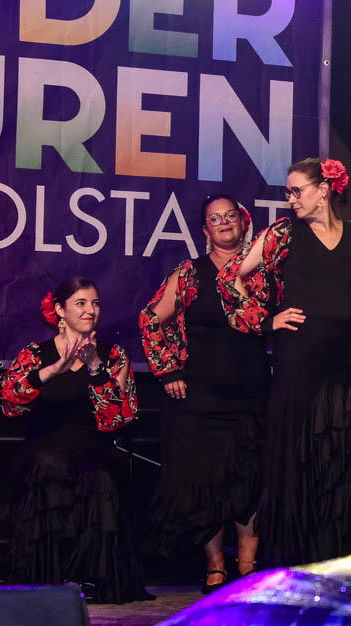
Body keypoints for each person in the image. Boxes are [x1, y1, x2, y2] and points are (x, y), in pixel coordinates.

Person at [216, 158, 351, 566]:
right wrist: (266, 320)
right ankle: (294, 560)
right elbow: (230, 277)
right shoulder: (283, 234)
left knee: (339, 460)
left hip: (345, 362)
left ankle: (335, 558)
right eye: (288, 192)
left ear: (323, 190)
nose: (291, 200)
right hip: (298, 360)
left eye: (297, 191)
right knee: (297, 458)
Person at [139, 195, 270, 593]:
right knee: (206, 484)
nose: (224, 222)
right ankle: (215, 566)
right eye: (215, 218)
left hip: (251, 393)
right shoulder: (190, 273)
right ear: (204, 230)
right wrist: (168, 370)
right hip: (198, 400)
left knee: (249, 479)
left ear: (243, 223)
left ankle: (248, 565)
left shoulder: (263, 269)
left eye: (230, 215)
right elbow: (150, 319)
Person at [0, 277, 150, 603]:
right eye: (81, 303)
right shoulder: (35, 354)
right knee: (46, 468)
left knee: (99, 477)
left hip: (94, 450)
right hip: (45, 449)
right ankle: (48, 578)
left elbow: (118, 417)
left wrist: (95, 367)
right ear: (60, 310)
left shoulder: (113, 356)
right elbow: (10, 403)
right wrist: (53, 370)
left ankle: (91, 578)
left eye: (95, 303)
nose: (90, 310)